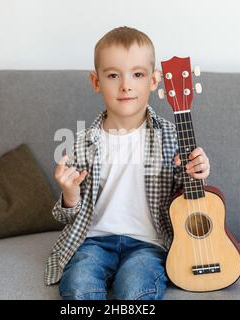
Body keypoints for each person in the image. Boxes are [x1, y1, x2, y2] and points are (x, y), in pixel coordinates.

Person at [44, 26, 210, 300]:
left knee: (135, 290)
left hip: (149, 245)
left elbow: (189, 200)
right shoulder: (82, 141)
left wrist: (197, 174)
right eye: (112, 75)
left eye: (138, 74)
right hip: (93, 243)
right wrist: (70, 196)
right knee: (78, 285)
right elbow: (66, 218)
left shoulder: (172, 136)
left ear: (154, 80)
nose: (126, 85)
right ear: (96, 81)